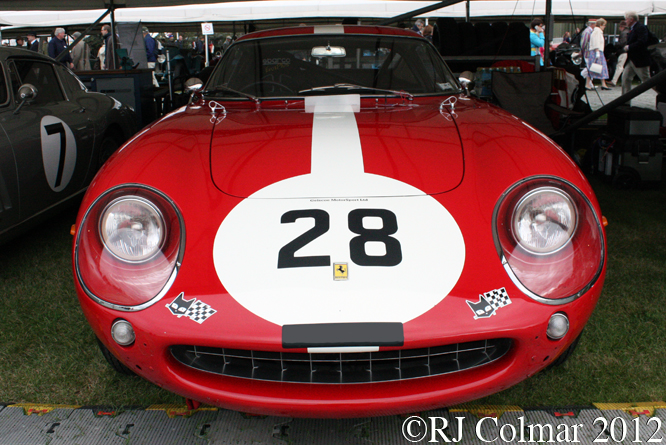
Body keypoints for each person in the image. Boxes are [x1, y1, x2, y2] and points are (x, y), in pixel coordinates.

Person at [622, 11, 651, 95]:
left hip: (640, 59)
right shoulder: (633, 28)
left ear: (631, 19)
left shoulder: (641, 27)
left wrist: (629, 47)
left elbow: (642, 41)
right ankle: (625, 101)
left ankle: (662, 92)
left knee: (647, 80)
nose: (625, 21)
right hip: (632, 59)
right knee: (626, 78)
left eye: (626, 19)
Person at [587, 18, 610, 90]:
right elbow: (596, 42)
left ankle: (603, 84)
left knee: (598, 67)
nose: (604, 27)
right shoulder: (597, 32)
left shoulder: (597, 31)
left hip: (598, 51)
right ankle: (588, 84)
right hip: (596, 51)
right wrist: (597, 52)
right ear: (600, 25)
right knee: (595, 68)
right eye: (604, 25)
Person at [610, 21, 629, 86]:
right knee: (625, 67)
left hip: (623, 51)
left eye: (620, 26)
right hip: (626, 51)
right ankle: (624, 81)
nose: (619, 28)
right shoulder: (628, 32)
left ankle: (614, 81)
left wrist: (616, 46)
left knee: (619, 66)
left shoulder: (623, 33)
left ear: (622, 27)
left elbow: (622, 43)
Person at [580, 19, 596, 89]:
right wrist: (582, 50)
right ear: (592, 24)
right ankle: (581, 77)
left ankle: (589, 83)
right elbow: (584, 42)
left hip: (589, 52)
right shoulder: (587, 32)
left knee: (591, 67)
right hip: (588, 52)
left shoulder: (590, 31)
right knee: (590, 68)